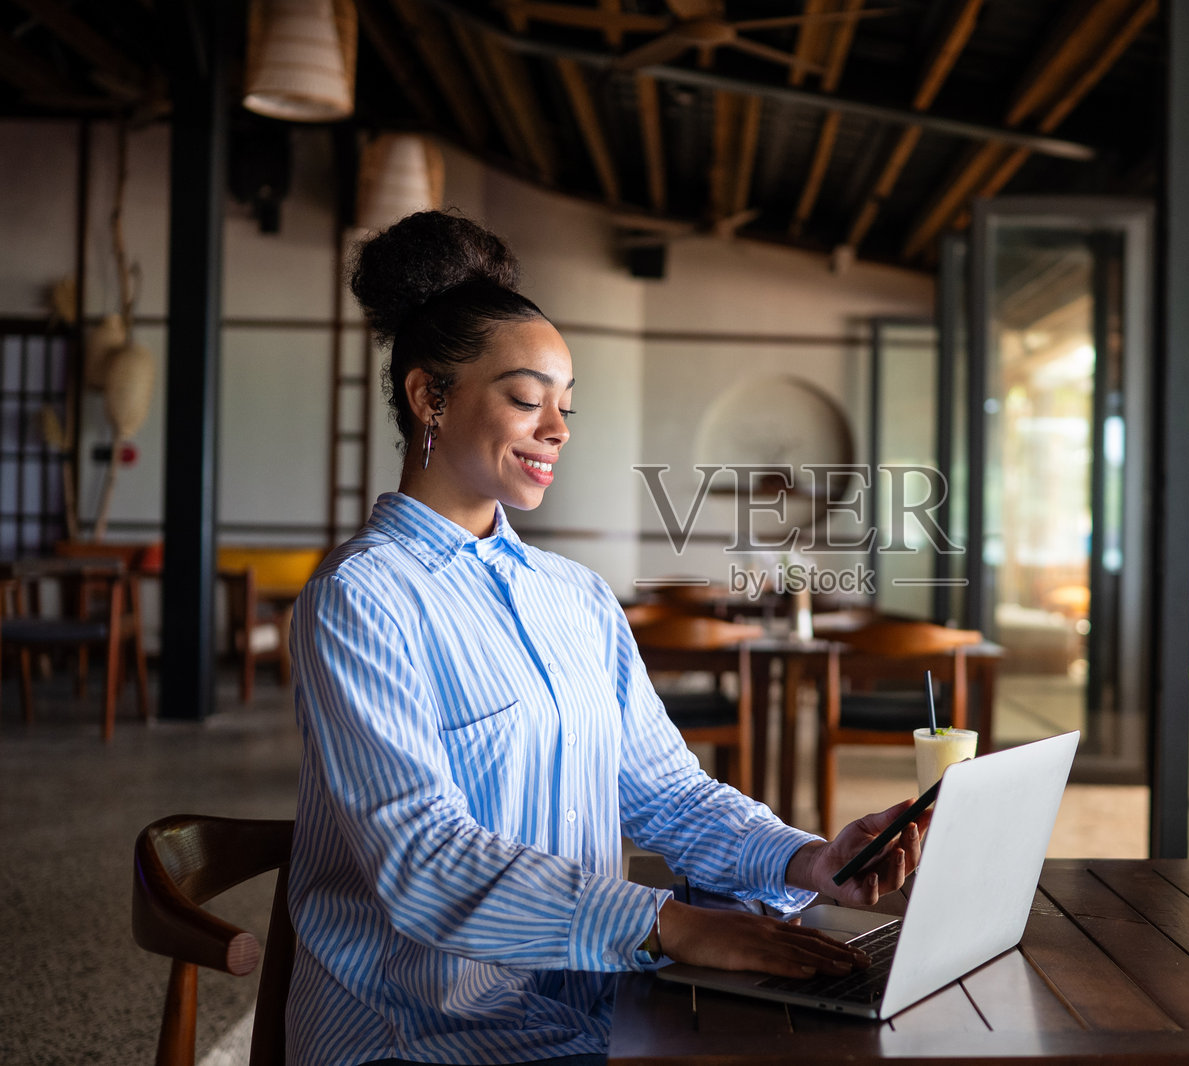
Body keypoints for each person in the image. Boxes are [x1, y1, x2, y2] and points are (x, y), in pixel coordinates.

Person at [287, 210, 926, 1066]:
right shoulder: (360, 598)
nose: (557, 428)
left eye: (566, 406)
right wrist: (671, 925)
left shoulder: (575, 597)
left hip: (595, 1008)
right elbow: (422, 858)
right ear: (429, 396)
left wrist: (811, 862)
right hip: (426, 1033)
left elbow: (669, 794)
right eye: (526, 399)